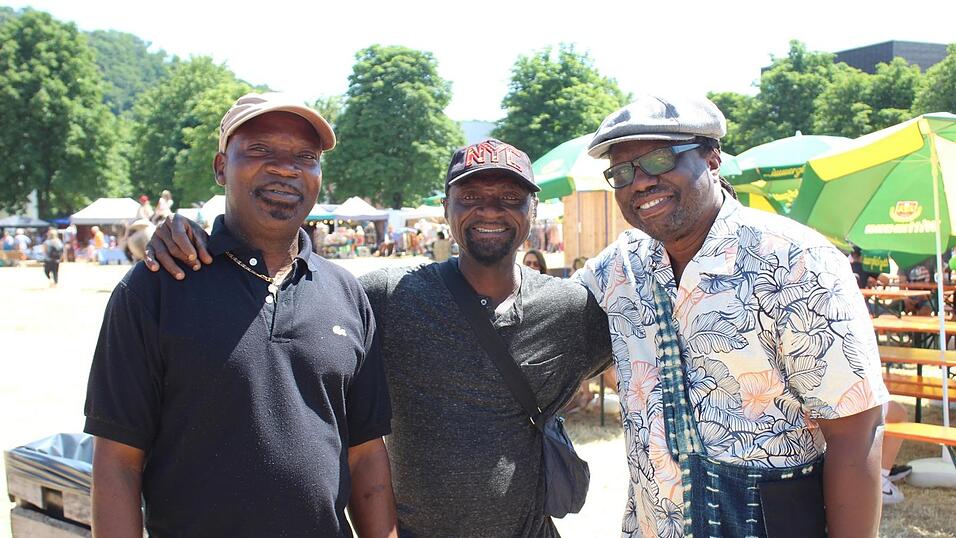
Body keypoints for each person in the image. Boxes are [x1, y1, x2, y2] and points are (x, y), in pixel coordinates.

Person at [144, 137, 613, 537]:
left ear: (533, 209)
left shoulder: (570, 309)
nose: (490, 210)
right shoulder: (389, 295)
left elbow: (628, 369)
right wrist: (193, 241)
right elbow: (289, 292)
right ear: (446, 208)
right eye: (470, 197)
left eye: (510, 198)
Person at [84, 92, 397, 537]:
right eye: (260, 150)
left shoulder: (346, 293)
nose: (286, 168)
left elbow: (365, 454)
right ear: (219, 167)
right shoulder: (155, 288)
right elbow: (117, 461)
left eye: (305, 157)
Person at [574, 94, 888, 537]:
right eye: (621, 173)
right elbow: (540, 315)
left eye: (660, 159)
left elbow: (855, 432)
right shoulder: (619, 270)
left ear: (713, 157)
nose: (639, 182)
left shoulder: (796, 263)